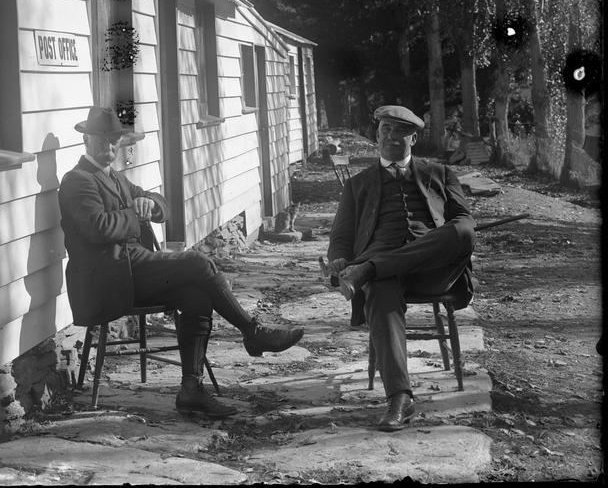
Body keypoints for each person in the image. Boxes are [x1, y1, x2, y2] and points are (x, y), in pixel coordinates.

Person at [60, 106, 305, 419]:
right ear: (86, 141)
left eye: (113, 141)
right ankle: (251, 330)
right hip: (105, 279)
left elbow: (162, 206)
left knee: (196, 296)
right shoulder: (78, 181)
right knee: (197, 263)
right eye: (101, 140)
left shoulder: (116, 179)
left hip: (129, 269)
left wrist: (151, 203)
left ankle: (191, 389)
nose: (108, 146)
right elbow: (98, 228)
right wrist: (136, 213)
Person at [326, 105, 475, 431]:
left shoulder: (441, 174)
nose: (391, 138)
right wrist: (339, 259)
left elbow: (464, 220)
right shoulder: (357, 185)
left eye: (400, 132)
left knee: (464, 231)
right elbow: (340, 238)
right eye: (385, 131)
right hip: (385, 278)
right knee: (379, 289)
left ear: (415, 138)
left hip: (432, 270)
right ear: (377, 136)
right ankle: (399, 399)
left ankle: (370, 269)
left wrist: (366, 267)